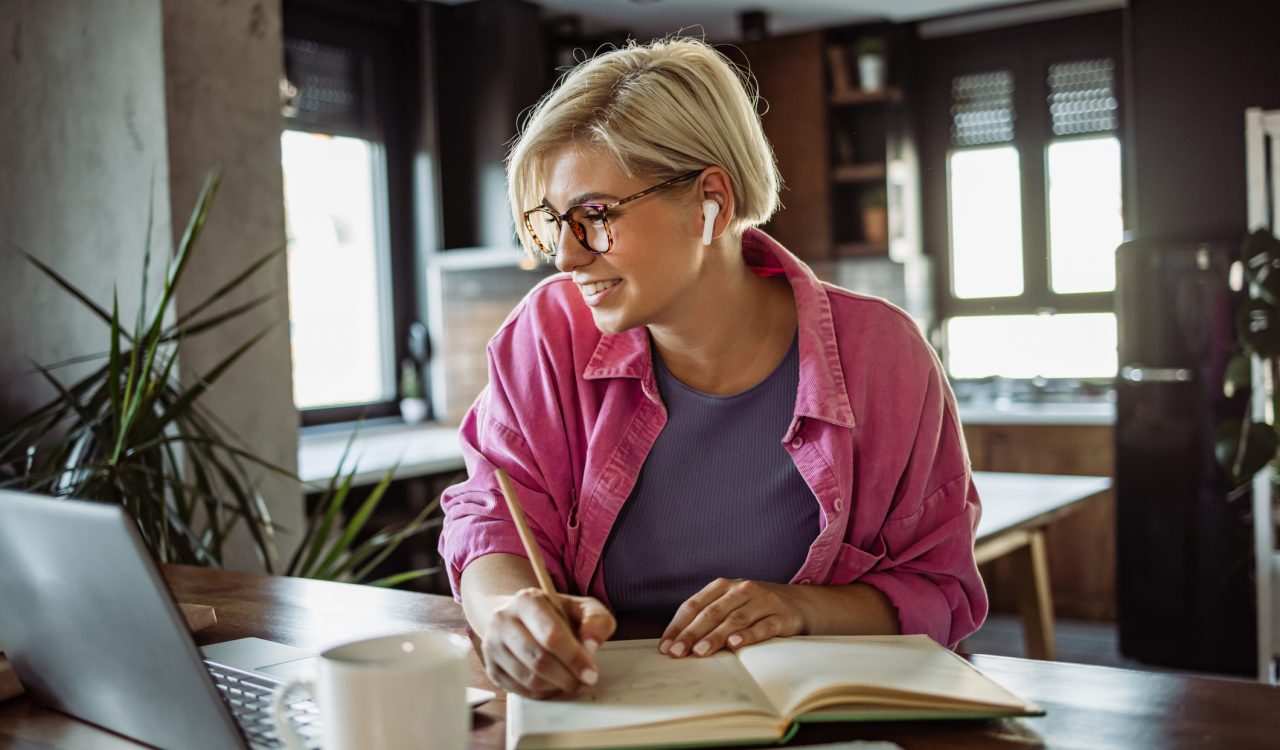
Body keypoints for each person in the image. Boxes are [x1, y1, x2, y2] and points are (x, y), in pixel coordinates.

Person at [439, 36, 987, 700]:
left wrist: (800, 609)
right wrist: (506, 613)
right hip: (607, 710)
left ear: (713, 203)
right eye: (551, 222)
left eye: (594, 217)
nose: (566, 256)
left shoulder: (884, 356)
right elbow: (491, 517)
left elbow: (942, 587)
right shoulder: (547, 334)